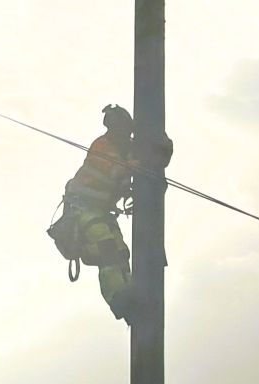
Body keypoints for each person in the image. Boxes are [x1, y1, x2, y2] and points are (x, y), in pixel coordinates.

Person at [48, 105, 173, 322]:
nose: (122, 133)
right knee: (106, 245)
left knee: (121, 252)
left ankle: (130, 295)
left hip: (101, 211)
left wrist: (162, 147)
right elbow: (116, 170)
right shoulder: (102, 146)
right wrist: (141, 163)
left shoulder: (126, 150)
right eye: (117, 129)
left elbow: (151, 157)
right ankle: (118, 298)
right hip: (83, 208)